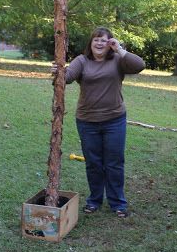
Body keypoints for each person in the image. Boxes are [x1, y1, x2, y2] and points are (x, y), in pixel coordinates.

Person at [52, 27, 145, 217]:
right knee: (93, 163)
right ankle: (94, 200)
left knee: (114, 163)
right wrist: (57, 72)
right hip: (87, 122)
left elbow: (139, 65)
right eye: (96, 40)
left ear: (110, 43)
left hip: (114, 120)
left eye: (104, 40)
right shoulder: (82, 61)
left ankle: (118, 203)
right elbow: (67, 78)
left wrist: (120, 49)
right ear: (91, 43)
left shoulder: (118, 60)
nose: (100, 43)